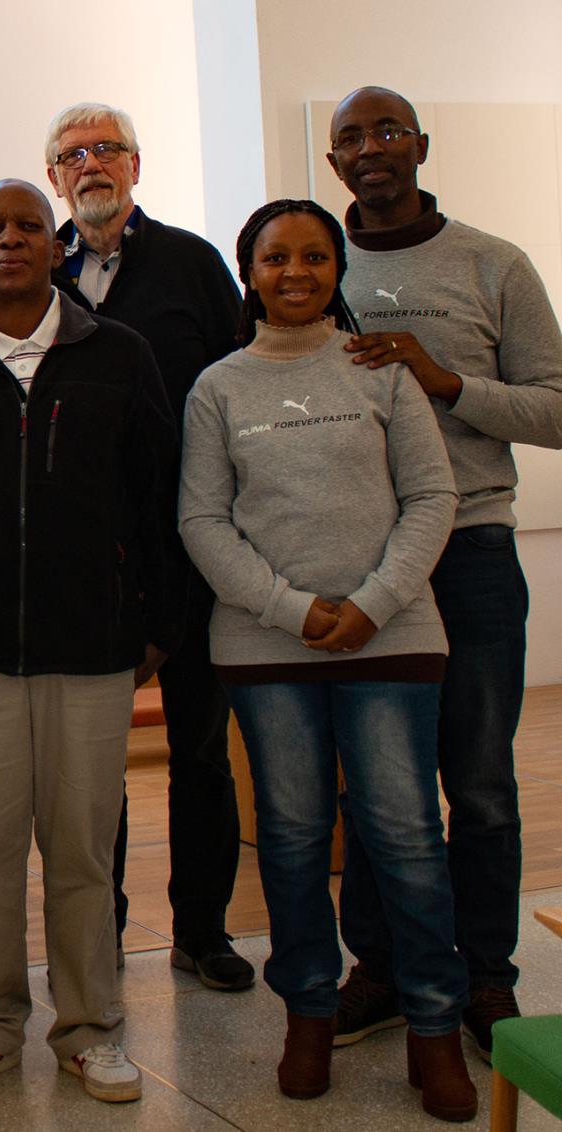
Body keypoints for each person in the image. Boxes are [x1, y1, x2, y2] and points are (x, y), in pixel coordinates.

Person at [0, 179, 181, 1105]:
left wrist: (158, 623)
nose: (9, 240)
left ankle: (91, 1026)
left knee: (86, 848)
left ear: (54, 248)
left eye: (25, 226)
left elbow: (160, 499)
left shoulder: (118, 357)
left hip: (91, 648)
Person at [178, 197, 474, 1121]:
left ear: (338, 270)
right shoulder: (217, 386)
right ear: (249, 271)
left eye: (315, 257)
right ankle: (309, 1011)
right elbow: (201, 520)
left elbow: (432, 497)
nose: (296, 273)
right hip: (269, 651)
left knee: (406, 838)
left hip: (395, 641)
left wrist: (372, 606)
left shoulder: (380, 372)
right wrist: (294, 610)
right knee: (297, 839)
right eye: (276, 258)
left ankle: (434, 1024)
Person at [322, 85, 562, 1062]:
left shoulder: (493, 263)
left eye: (388, 130)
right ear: (334, 163)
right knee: (377, 785)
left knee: (482, 780)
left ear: (421, 145)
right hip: (365, 563)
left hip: (471, 553)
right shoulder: (310, 265)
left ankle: (487, 975)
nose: (372, 148)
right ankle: (378, 967)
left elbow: (555, 408)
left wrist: (447, 380)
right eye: (352, 137)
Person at [44, 101, 249, 989]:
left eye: (106, 150)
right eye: (72, 154)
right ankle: (103, 938)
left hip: (192, 548)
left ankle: (203, 931)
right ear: (54, 175)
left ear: (136, 165)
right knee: (93, 762)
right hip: (81, 560)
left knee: (200, 749)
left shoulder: (194, 266)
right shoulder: (29, 267)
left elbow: (241, 383)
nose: (91, 165)